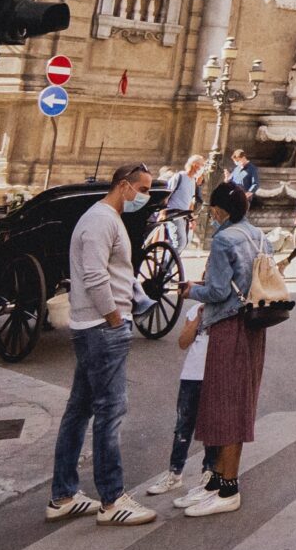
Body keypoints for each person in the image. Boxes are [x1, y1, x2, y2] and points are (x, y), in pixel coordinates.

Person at [46, 163, 159, 526]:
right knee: (110, 412)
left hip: (94, 326)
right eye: (142, 188)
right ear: (124, 186)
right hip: (101, 328)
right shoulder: (101, 221)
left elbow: (112, 272)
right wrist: (114, 317)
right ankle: (112, 499)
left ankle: (63, 495)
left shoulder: (105, 218)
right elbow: (95, 275)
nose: (144, 196)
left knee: (79, 410)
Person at [178, 182, 269, 516]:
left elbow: (217, 292)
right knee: (232, 401)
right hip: (254, 326)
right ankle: (216, 481)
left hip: (228, 325)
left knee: (226, 405)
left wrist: (191, 291)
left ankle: (229, 487)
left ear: (219, 211)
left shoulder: (223, 239)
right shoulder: (260, 236)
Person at [143, 324, 212, 501]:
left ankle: (209, 471)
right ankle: (174, 472)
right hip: (191, 374)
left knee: (210, 426)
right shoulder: (195, 310)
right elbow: (183, 342)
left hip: (214, 375)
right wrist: (199, 317)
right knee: (183, 425)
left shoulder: (224, 309)